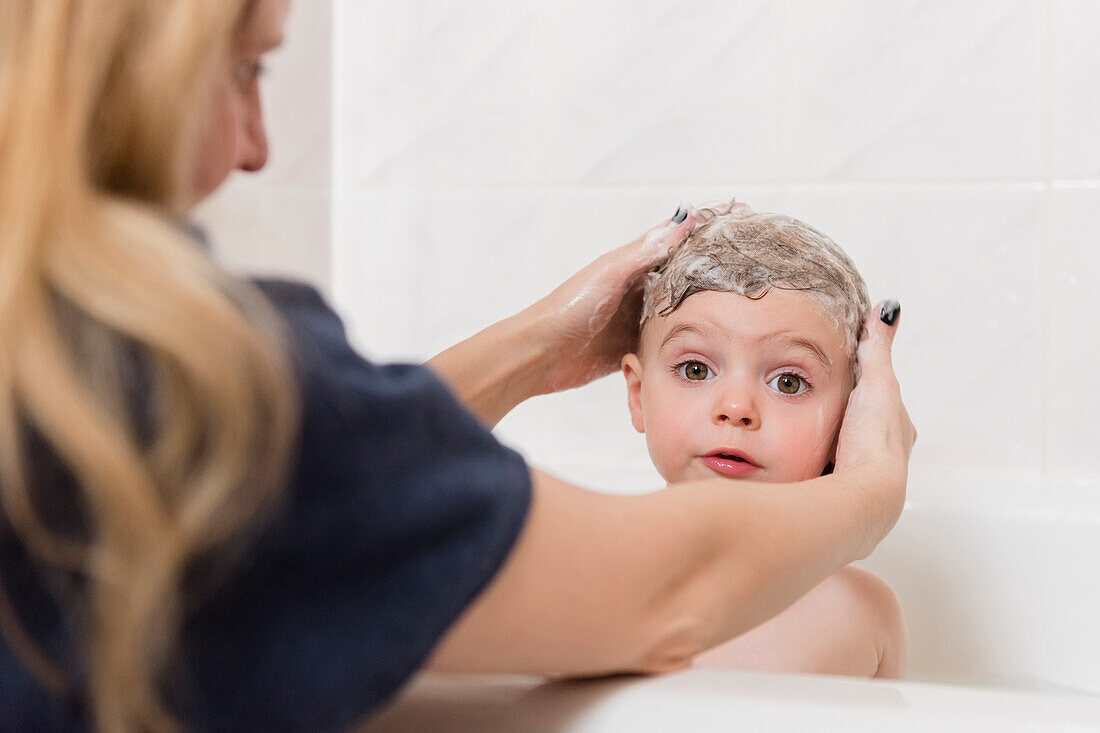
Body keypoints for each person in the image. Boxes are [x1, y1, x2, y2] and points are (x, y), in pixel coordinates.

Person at [0, 1, 916, 731]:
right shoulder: (179, 364)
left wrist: (530, 351)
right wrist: (873, 486)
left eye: (789, 380)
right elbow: (668, 593)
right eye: (245, 70)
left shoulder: (70, 357)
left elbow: (304, 493)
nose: (258, 147)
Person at [621, 203, 906, 677]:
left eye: (788, 382)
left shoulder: (861, 614)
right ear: (637, 394)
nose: (735, 407)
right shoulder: (588, 578)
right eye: (696, 370)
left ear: (851, 419)